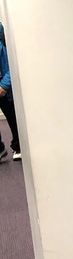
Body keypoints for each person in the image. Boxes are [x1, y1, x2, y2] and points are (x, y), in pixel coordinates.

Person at [0, 22, 22, 162]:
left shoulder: (3, 45)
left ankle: (18, 146)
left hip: (4, 88)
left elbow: (11, 66)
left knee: (13, 117)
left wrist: (4, 86)